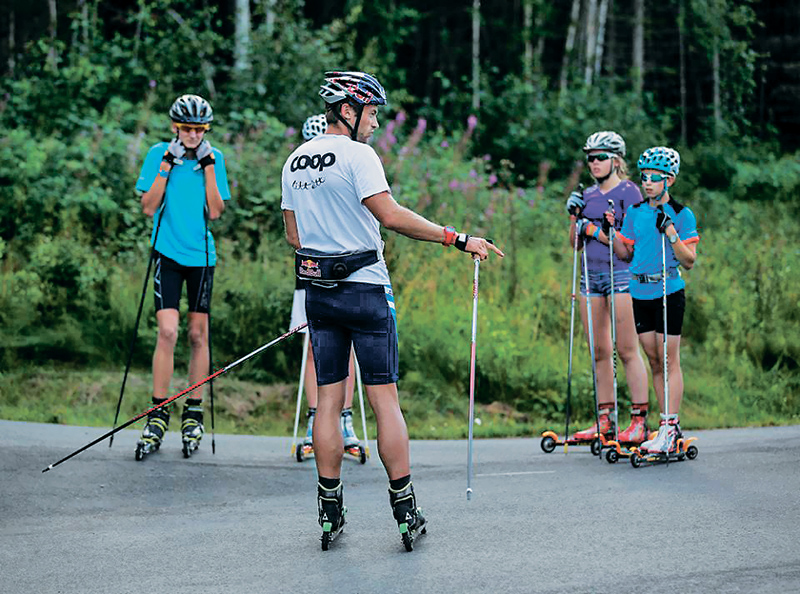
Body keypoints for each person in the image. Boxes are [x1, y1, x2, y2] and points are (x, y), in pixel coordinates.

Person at [281, 71, 503, 549]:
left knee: (328, 399)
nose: (376, 121)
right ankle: (405, 512)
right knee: (384, 401)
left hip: (320, 293)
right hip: (365, 290)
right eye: (372, 111)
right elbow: (392, 216)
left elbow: (294, 237)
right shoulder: (359, 156)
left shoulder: (295, 161)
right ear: (347, 109)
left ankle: (328, 512)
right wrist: (458, 238)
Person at [134, 94, 230, 459]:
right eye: (186, 129)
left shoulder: (214, 158)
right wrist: (167, 164)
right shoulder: (160, 153)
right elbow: (148, 207)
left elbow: (217, 211)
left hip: (202, 257)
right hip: (168, 253)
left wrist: (206, 167)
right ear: (175, 127)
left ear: (205, 130)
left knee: (197, 334)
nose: (192, 135)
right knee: (168, 331)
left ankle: (193, 409)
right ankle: (158, 411)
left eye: (199, 129)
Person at [607, 146, 698, 453]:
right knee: (655, 360)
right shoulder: (634, 213)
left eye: (654, 178)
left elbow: (689, 261)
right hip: (640, 291)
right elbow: (624, 253)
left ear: (668, 180)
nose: (646, 183)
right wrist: (612, 232)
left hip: (668, 291)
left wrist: (670, 231)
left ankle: (670, 428)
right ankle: (665, 425)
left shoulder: (682, 214)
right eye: (644, 176)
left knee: (670, 357)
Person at [567, 131, 650, 444]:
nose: (594, 163)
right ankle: (606, 420)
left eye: (600, 157)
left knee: (627, 349)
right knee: (599, 351)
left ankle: (639, 421)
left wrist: (594, 229)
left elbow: (629, 245)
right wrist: (575, 216)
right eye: (590, 158)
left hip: (622, 275)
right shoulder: (587, 195)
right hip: (591, 275)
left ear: (616, 160)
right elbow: (574, 244)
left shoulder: (630, 193)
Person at [293, 113, 361, 456]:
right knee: (311, 348)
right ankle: (314, 416)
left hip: (342, 273)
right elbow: (294, 234)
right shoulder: (298, 171)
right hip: (310, 274)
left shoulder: (343, 169)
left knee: (345, 347)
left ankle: (344, 417)